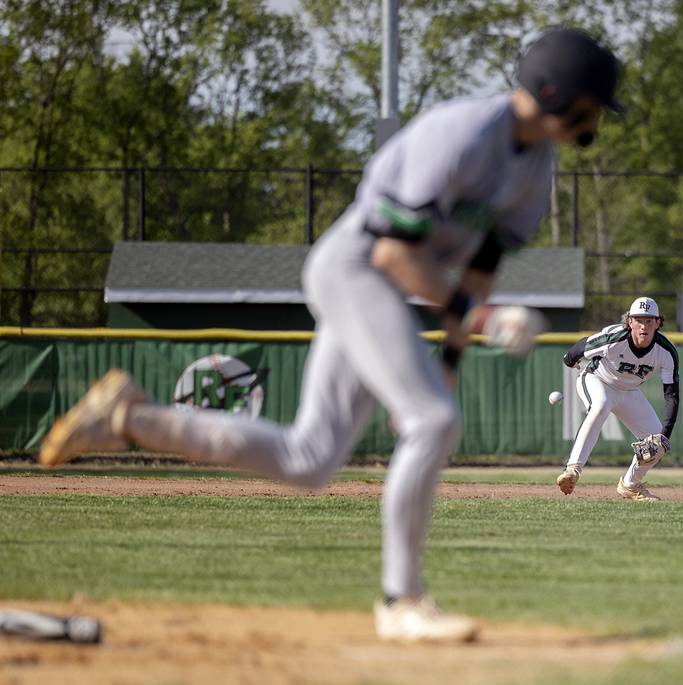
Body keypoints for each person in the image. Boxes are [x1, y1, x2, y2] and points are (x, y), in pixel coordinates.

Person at [39, 27, 623, 642]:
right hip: (355, 269)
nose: (597, 121)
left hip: (385, 286)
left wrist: (451, 358)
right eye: (593, 106)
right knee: (434, 422)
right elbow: (394, 255)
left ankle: (132, 418)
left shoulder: (536, 166)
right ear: (555, 93)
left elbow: (478, 269)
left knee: (309, 460)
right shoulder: (463, 134)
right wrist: (480, 320)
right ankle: (403, 600)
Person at [556, 296, 680, 501]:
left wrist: (664, 436)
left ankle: (631, 485)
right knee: (601, 405)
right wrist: (571, 360)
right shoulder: (615, 338)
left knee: (657, 440)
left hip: (629, 391)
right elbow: (580, 347)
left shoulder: (666, 351)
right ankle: (572, 470)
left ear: (658, 323)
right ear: (629, 321)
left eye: (649, 320)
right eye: (639, 320)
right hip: (598, 379)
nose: (643, 326)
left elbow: (672, 396)